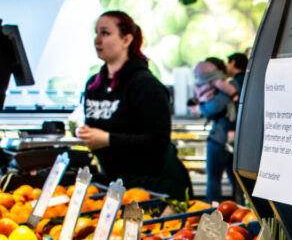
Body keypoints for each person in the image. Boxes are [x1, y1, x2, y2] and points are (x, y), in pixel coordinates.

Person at [77, 11, 191, 199]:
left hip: (154, 186)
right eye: (96, 33)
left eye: (105, 33)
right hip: (118, 184)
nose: (97, 40)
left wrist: (108, 139)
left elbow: (158, 141)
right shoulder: (93, 85)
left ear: (126, 40)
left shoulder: (146, 85)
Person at [194, 57, 241, 204]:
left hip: (220, 138)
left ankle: (213, 214)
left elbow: (214, 107)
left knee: (214, 180)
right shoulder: (229, 84)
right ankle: (241, 212)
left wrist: (200, 108)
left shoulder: (231, 84)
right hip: (233, 140)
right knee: (237, 182)